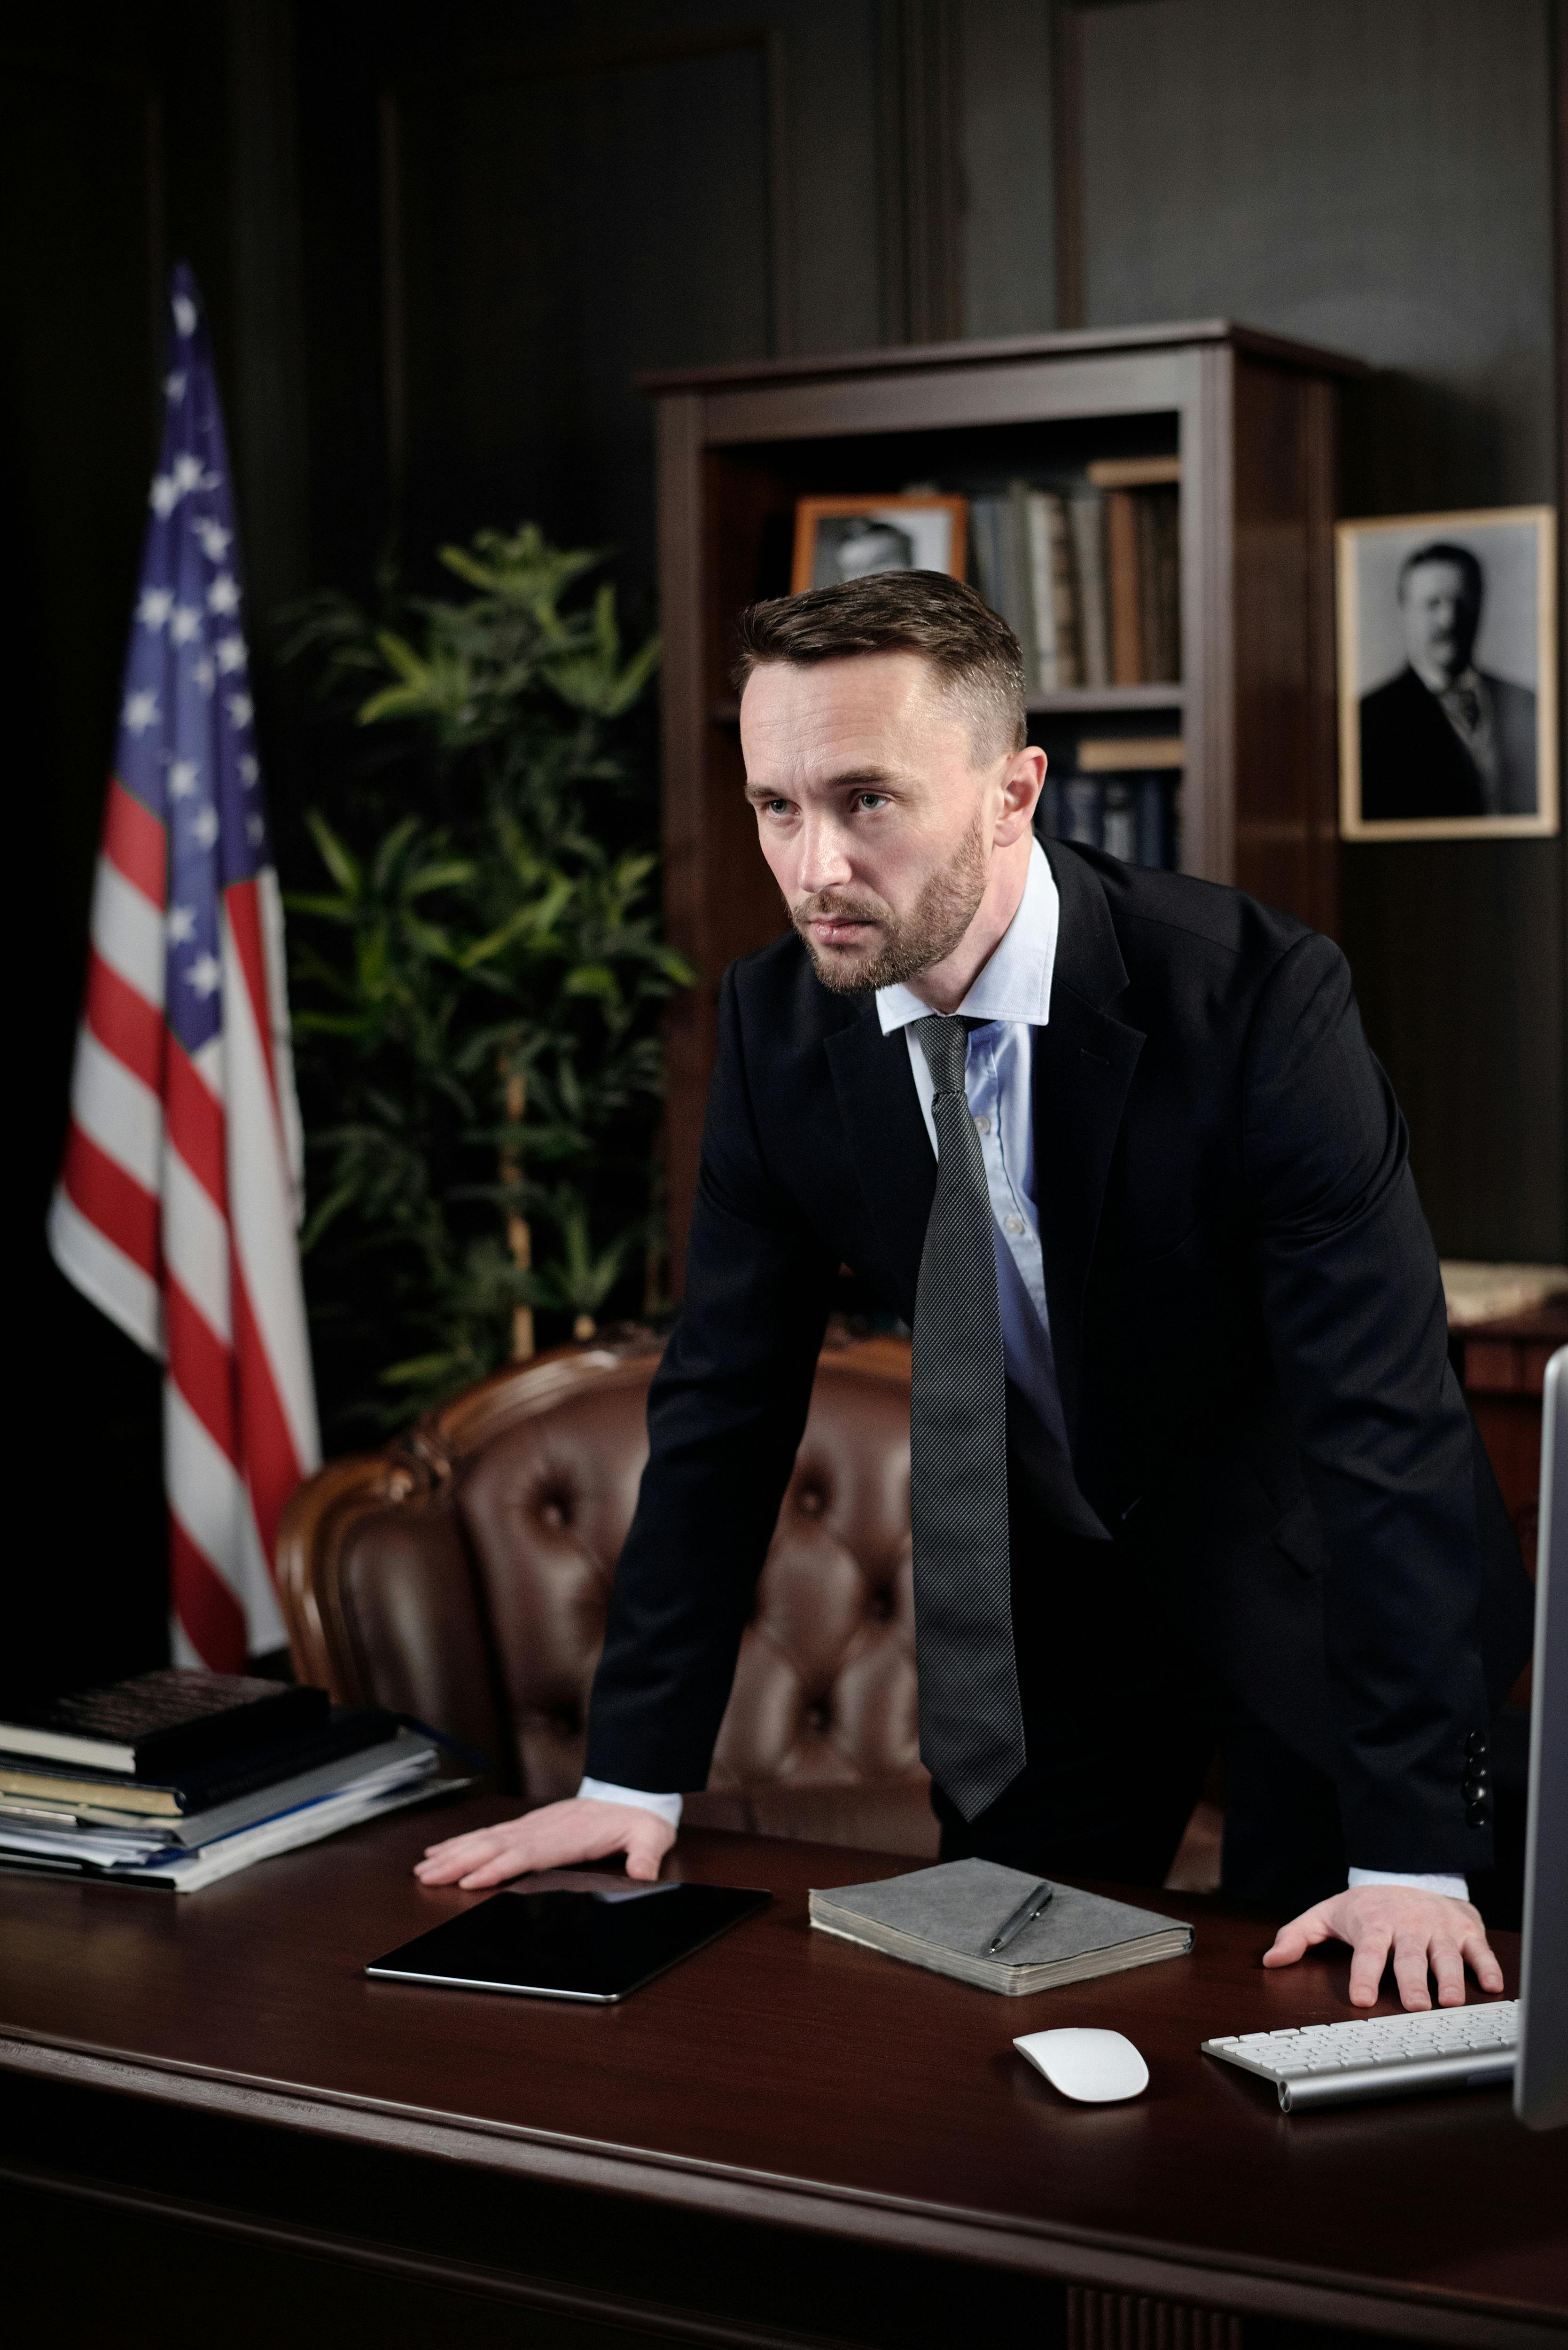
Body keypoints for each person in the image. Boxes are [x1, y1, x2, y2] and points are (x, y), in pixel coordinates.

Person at [420, 572, 1534, 2015]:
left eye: (863, 800)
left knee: (1327, 2021)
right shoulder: (772, 1030)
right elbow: (721, 1405)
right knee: (994, 2040)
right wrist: (632, 1770)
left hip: (1313, 1595)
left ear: (1011, 793)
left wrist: (1412, 1848)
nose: (813, 865)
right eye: (775, 807)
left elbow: (1383, 1426)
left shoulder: (1258, 1003)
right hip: (1043, 1624)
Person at [1359, 541, 1537, 820]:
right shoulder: (1368, 720)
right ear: (1404, 613)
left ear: (1480, 604)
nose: (1449, 619)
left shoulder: (1530, 705)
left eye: (1461, 602)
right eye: (1433, 604)